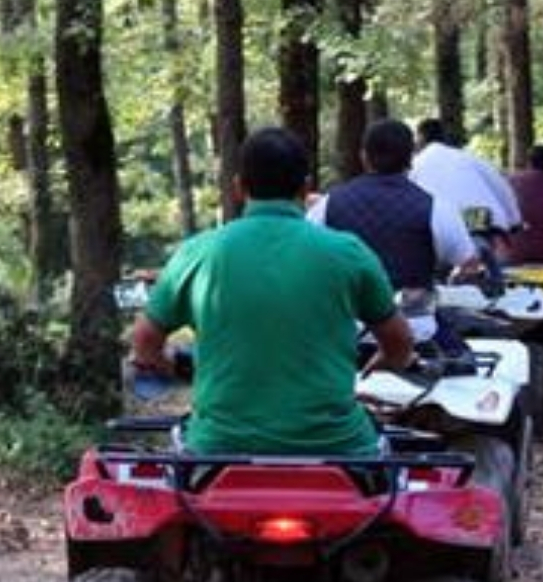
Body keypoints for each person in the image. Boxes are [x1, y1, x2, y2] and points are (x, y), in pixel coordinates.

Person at [129, 126, 413, 458]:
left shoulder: (198, 253)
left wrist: (177, 371)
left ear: (239, 187)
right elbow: (400, 345)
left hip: (217, 450)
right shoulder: (348, 252)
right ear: (305, 188)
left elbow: (144, 344)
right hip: (341, 451)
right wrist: (380, 366)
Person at [307, 118, 481, 289]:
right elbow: (469, 263)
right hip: (414, 314)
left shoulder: (329, 204)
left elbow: (305, 252)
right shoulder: (435, 208)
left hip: (348, 314)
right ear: (411, 156)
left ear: (363, 156)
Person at [410, 118, 521, 233]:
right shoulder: (472, 159)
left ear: (420, 138)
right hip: (480, 220)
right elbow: (502, 189)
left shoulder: (416, 164)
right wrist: (514, 220)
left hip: (442, 226)